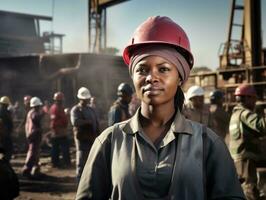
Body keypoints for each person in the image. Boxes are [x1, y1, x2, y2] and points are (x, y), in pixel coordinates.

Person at [76, 16, 245, 199]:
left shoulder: (207, 143)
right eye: (142, 69)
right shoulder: (109, 141)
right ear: (133, 77)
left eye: (163, 69)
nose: (151, 77)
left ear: (180, 77)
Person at [229, 84, 266, 200]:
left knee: (243, 189)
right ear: (247, 98)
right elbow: (262, 126)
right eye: (253, 99)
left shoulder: (235, 114)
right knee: (249, 189)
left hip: (238, 158)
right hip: (246, 158)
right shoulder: (246, 114)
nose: (255, 102)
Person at [70, 87, 99, 181]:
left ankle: (89, 183)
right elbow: (75, 122)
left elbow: (96, 122)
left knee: (92, 162)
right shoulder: (76, 110)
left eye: (87, 99)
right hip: (82, 140)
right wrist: (87, 122)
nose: (86, 101)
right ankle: (79, 183)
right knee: (81, 162)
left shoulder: (91, 109)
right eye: (84, 99)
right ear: (80, 99)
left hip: (92, 138)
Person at [22, 97, 44, 178]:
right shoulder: (34, 113)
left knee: (36, 152)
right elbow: (36, 119)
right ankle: (26, 169)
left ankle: (36, 169)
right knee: (32, 153)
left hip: (33, 135)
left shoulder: (31, 112)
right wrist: (43, 114)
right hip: (34, 135)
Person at [49, 92, 70, 168]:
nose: (62, 101)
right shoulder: (55, 108)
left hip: (60, 131)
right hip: (58, 132)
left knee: (58, 148)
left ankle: (59, 163)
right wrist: (57, 130)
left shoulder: (60, 107)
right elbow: (54, 121)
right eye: (60, 100)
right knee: (58, 148)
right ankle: (58, 163)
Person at [0, 96, 14, 162]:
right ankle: (5, 162)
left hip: (3, 134)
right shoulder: (6, 113)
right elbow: (10, 123)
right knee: (8, 149)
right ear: (7, 104)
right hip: (5, 134)